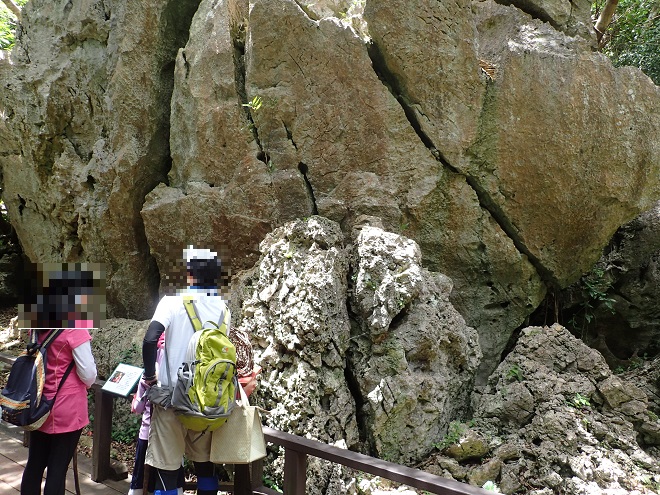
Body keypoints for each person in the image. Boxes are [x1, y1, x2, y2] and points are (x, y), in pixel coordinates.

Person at [141, 246, 258, 495]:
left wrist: (150, 377)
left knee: (168, 466)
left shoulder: (172, 301)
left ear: (190, 274)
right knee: (205, 464)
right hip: (206, 400)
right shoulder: (223, 311)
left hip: (171, 397)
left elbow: (151, 339)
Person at [20, 268, 99, 495]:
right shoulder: (74, 326)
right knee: (57, 469)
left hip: (38, 404)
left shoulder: (38, 323)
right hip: (67, 408)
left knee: (35, 463)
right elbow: (88, 373)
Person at [128, 334, 184, 495]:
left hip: (149, 433)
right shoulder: (181, 372)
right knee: (173, 476)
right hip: (175, 432)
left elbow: (138, 407)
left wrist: (136, 400)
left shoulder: (150, 373)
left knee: (141, 481)